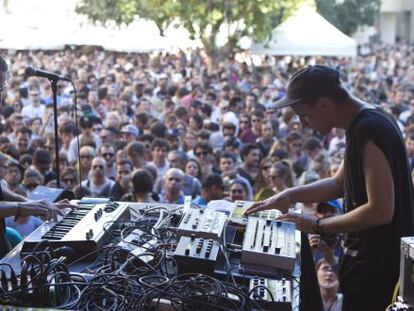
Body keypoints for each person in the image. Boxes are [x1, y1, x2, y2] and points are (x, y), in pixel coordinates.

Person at [245, 65, 414, 310]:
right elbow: (338, 183)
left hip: (377, 268)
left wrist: (317, 225)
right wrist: (289, 194)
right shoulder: (364, 124)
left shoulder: (369, 129)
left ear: (324, 104)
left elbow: (380, 210)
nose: (303, 124)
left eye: (303, 114)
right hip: (366, 263)